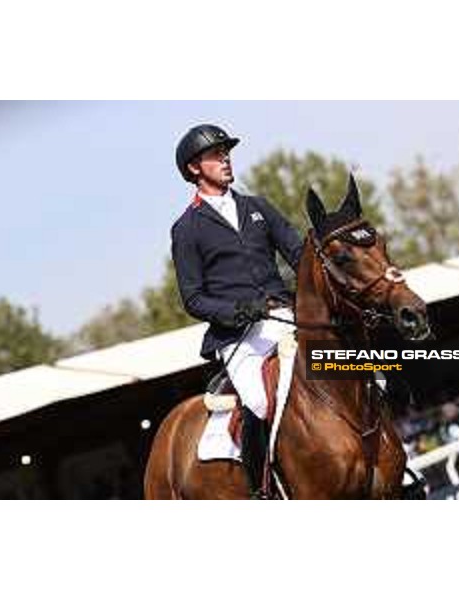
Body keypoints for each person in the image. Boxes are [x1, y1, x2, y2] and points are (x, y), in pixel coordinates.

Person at [171, 124, 303, 498]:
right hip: (240, 336)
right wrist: (240, 310)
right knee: (260, 401)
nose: (226, 158)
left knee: (350, 364)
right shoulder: (187, 229)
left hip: (286, 317)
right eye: (216, 154)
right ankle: (265, 490)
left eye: (227, 152)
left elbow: (298, 254)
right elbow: (193, 299)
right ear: (195, 168)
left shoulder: (258, 207)